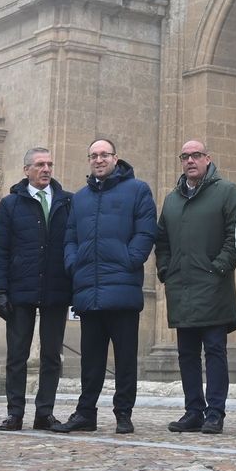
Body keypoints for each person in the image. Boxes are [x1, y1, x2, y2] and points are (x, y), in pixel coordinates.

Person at [52, 137, 157, 435]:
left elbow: (146, 230)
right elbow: (70, 236)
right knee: (91, 360)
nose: (99, 160)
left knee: (125, 359)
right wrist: (74, 263)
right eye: (93, 156)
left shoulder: (137, 190)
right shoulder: (81, 198)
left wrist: (130, 259)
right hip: (89, 288)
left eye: (104, 155)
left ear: (115, 158)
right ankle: (86, 413)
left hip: (122, 287)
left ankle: (123, 413)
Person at [156, 140, 236, 435]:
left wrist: (218, 268)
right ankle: (193, 410)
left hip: (214, 288)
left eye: (196, 155)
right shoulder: (171, 200)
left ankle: (215, 413)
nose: (190, 160)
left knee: (215, 351)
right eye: (185, 156)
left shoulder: (226, 192)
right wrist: (165, 270)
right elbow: (162, 241)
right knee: (187, 354)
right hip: (181, 288)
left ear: (208, 159)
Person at [0, 147, 73, 431]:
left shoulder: (67, 202)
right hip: (20, 289)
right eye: (39, 165)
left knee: (52, 355)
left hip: (56, 288)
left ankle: (44, 412)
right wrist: (0, 291)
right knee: (17, 355)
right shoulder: (10, 204)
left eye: (49, 164)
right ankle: (15, 412)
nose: (46, 169)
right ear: (26, 170)